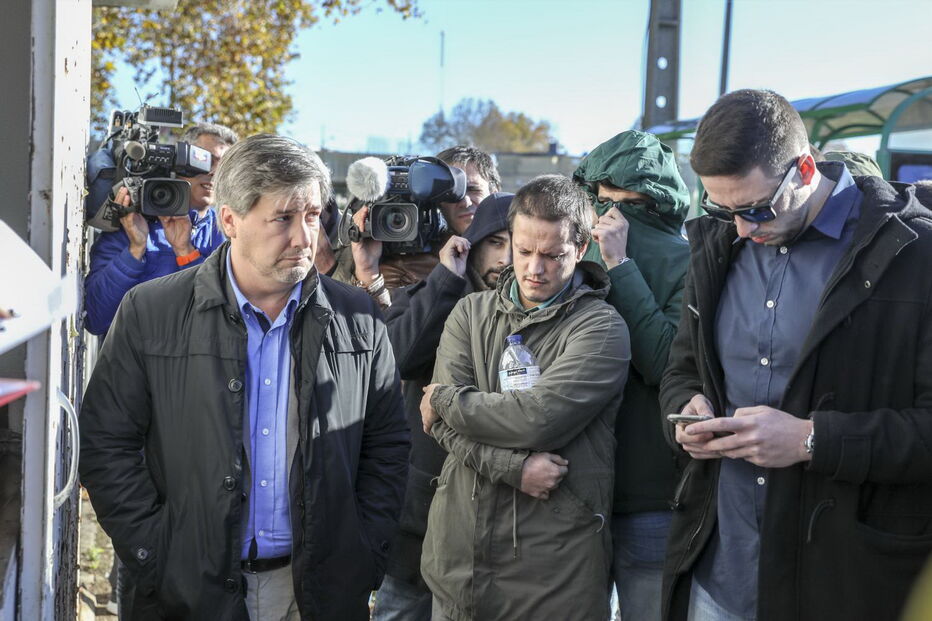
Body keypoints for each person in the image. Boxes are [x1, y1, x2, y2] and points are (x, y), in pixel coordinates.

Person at [79, 133, 410, 620]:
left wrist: (363, 554)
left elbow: (387, 447)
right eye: (282, 218)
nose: (303, 237)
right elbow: (106, 444)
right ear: (229, 219)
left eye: (313, 216)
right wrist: (157, 552)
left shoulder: (358, 316)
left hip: (316, 594)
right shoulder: (151, 311)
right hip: (186, 592)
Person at [659, 89, 932, 621]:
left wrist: (812, 440)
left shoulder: (914, 253)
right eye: (723, 209)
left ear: (806, 168)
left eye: (757, 210)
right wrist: (685, 409)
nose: (741, 228)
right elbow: (684, 367)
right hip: (718, 575)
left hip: (844, 584)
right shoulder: (717, 244)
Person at [419, 174, 631, 620]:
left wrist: (444, 401)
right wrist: (515, 467)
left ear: (581, 249)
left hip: (554, 576)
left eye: (553, 256)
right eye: (524, 251)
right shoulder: (469, 311)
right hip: (461, 563)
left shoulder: (602, 328)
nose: (535, 269)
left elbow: (537, 419)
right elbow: (439, 427)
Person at [372, 192, 522, 620]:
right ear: (469, 244)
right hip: (418, 512)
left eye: (518, 242)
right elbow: (400, 357)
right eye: (494, 242)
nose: (506, 256)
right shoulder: (430, 291)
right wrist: (446, 279)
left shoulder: (535, 311)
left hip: (497, 517)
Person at [573, 130, 691, 620]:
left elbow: (665, 363)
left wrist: (621, 265)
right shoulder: (569, 249)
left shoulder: (688, 260)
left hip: (649, 494)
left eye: (629, 202)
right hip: (573, 491)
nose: (613, 215)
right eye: (603, 200)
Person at [84, 122, 238, 335]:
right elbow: (95, 318)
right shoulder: (134, 220)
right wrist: (135, 250)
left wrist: (186, 254)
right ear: (180, 161)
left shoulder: (232, 234)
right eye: (205, 159)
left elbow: (225, 323)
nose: (214, 172)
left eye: (224, 165)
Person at [348, 145, 501, 302]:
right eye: (453, 192)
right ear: (438, 201)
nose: (465, 201)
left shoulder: (521, 245)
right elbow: (388, 325)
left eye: (473, 189)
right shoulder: (409, 268)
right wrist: (368, 273)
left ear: (495, 192)